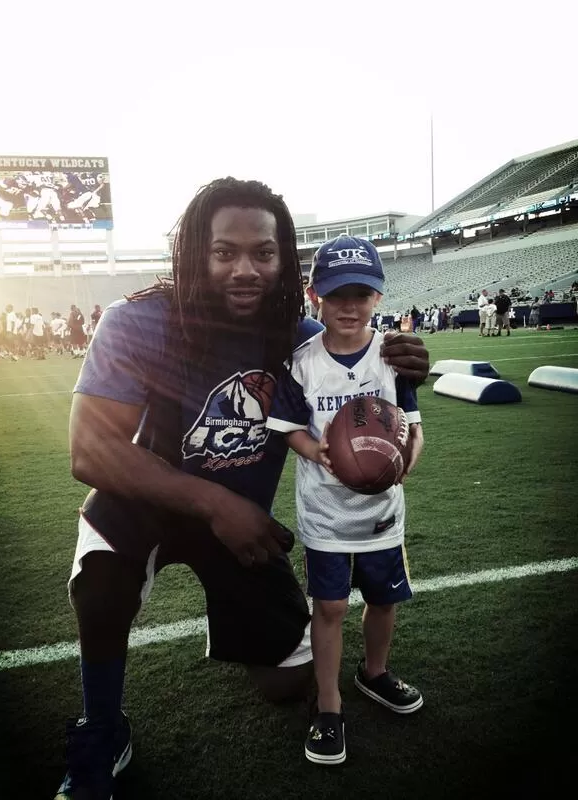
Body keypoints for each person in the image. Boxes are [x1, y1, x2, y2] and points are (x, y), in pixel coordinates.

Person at [55, 177, 430, 799]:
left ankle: (230, 619)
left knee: (288, 686)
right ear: (195, 252)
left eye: (263, 252)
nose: (245, 268)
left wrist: (399, 363)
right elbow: (90, 451)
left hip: (241, 522)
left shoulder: (304, 337)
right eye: (224, 251)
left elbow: (363, 388)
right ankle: (101, 726)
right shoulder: (138, 319)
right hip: (146, 507)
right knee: (103, 577)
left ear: (285, 257)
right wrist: (213, 501)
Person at [267, 236, 424, 766]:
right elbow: (289, 428)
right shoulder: (303, 363)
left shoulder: (391, 356)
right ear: (316, 297)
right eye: (338, 295)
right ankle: (329, 704)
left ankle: (374, 673)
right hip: (325, 513)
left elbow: (414, 428)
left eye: (362, 294)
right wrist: (320, 452)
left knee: (384, 600)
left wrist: (403, 462)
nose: (350, 307)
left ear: (378, 297)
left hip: (382, 514)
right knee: (329, 607)